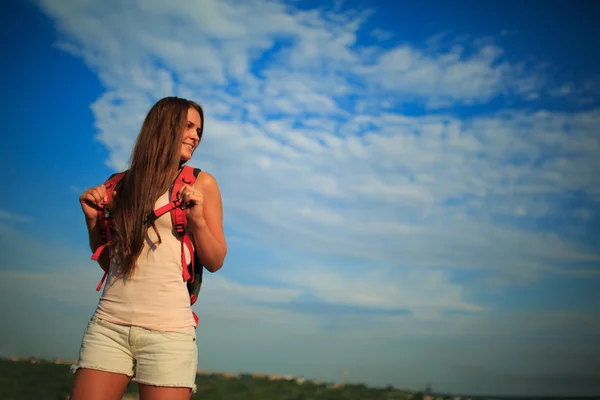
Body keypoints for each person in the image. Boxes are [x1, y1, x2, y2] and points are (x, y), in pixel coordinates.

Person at [70, 96, 227, 400]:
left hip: (168, 333)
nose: (196, 136)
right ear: (164, 127)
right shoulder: (117, 185)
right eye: (189, 127)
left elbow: (216, 260)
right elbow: (113, 264)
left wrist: (197, 222)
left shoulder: (201, 183)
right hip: (108, 326)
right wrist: (92, 221)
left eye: (199, 131)